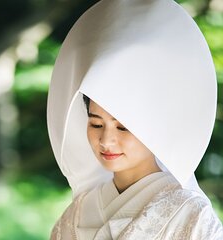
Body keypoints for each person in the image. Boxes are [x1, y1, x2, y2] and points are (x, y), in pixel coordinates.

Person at [46, 0, 223, 239]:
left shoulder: (191, 216)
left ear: (154, 126)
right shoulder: (74, 216)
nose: (106, 140)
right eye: (96, 123)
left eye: (123, 127)